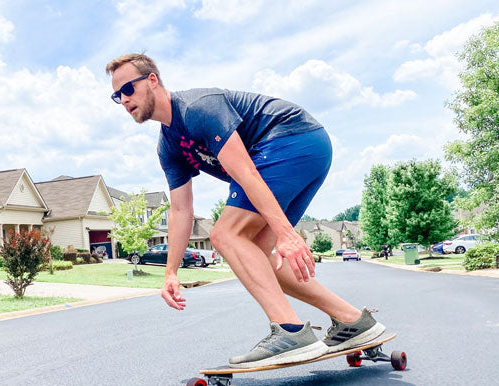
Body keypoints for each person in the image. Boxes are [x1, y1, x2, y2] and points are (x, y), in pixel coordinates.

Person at [106, 53, 386, 368]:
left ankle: (290, 331)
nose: (124, 99)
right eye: (117, 95)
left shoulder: (199, 108)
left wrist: (286, 234)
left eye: (128, 88)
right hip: (307, 149)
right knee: (257, 255)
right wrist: (171, 272)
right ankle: (352, 320)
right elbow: (181, 211)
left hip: (291, 139)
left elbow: (247, 174)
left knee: (225, 234)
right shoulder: (168, 146)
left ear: (153, 80)